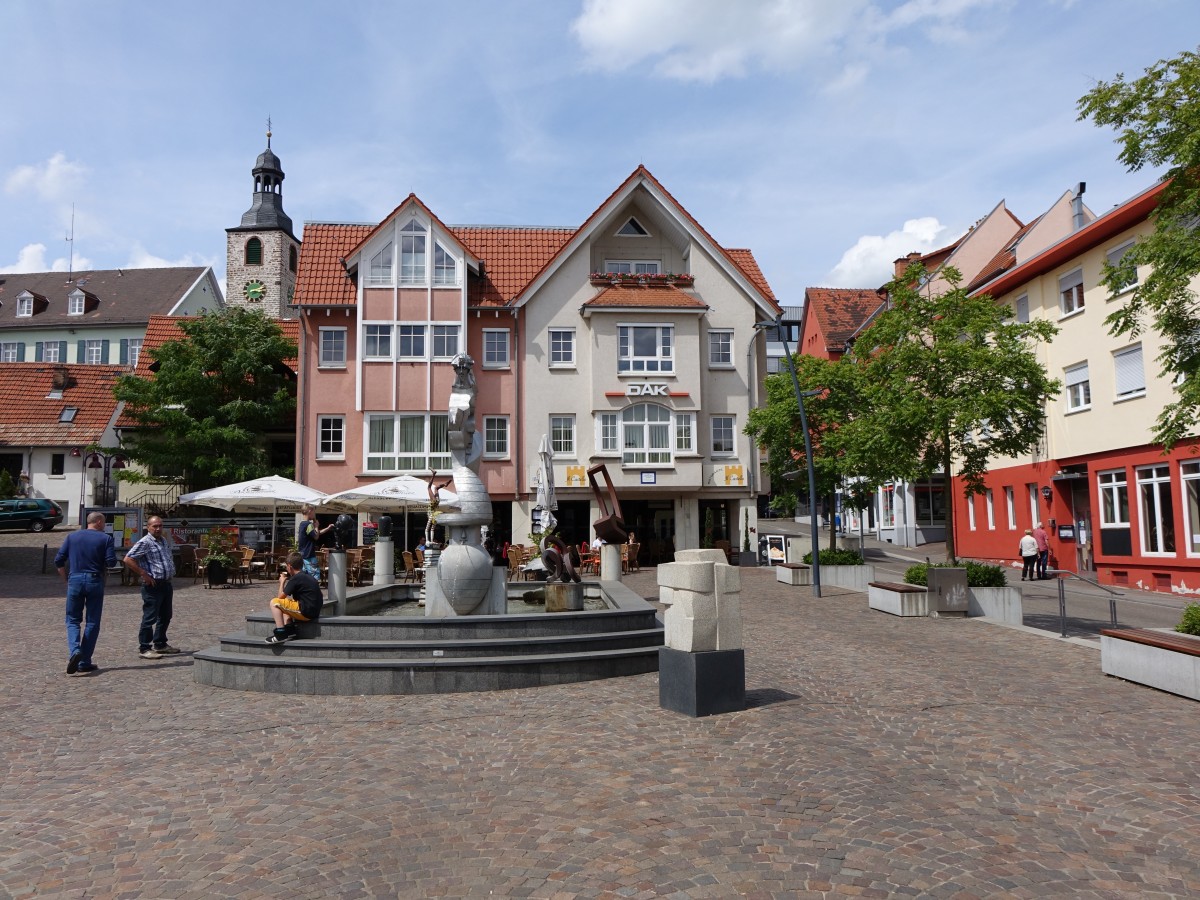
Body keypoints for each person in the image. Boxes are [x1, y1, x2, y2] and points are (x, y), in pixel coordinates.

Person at [55, 511, 116, 676]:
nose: (104, 526)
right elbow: (111, 562)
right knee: (92, 621)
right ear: (97, 522)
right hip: (95, 580)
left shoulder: (72, 537)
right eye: (103, 523)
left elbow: (58, 560)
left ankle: (75, 650)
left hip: (74, 579)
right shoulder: (106, 539)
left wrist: (65, 579)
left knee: (72, 620)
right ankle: (84, 661)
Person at [123, 516, 179, 660]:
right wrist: (144, 574)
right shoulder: (145, 542)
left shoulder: (163, 540)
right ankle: (144, 647)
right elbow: (128, 559)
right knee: (150, 617)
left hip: (166, 583)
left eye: (160, 526)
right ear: (148, 527)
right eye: (155, 526)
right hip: (152, 586)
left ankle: (160, 643)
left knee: (166, 615)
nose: (158, 528)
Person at [266, 551, 324, 643]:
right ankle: (290, 630)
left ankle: (280, 634)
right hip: (314, 611)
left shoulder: (295, 578)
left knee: (274, 603)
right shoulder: (308, 577)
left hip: (306, 612)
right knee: (287, 603)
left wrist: (282, 582)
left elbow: (279, 598)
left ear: (289, 566)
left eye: (286, 566)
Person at [297, 504, 332, 580]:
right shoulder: (308, 525)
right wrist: (316, 526)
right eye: (314, 512)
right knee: (314, 577)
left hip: (302, 554)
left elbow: (316, 533)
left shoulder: (302, 524)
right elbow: (316, 537)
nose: (314, 514)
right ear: (310, 511)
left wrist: (327, 528)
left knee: (304, 577)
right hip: (309, 555)